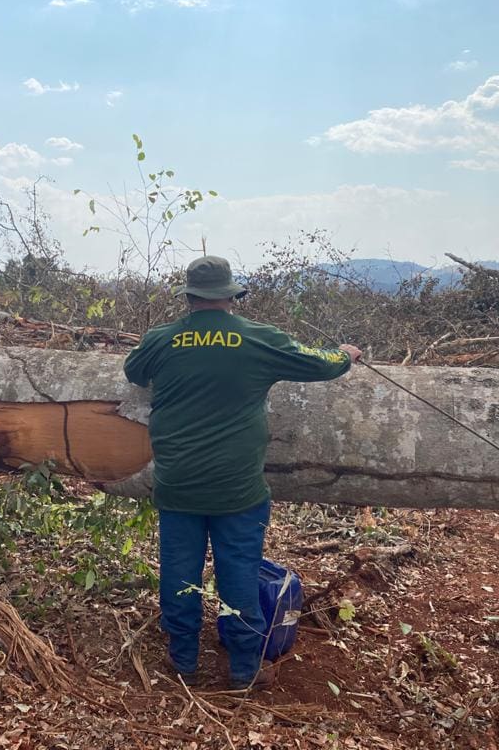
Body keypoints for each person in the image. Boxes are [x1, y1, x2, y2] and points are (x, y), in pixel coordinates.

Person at [123, 255, 362, 690]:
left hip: (179, 486)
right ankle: (243, 669)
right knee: (238, 573)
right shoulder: (258, 339)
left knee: (179, 574)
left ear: (190, 297)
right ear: (231, 297)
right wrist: (345, 355)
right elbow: (319, 363)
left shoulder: (161, 340)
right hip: (238, 489)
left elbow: (133, 371)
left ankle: (183, 661)